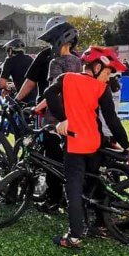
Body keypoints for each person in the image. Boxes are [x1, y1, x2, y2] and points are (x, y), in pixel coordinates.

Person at [45, 46, 129, 248]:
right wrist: (126, 145)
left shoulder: (67, 78)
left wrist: (62, 119)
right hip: (95, 144)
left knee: (74, 190)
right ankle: (101, 222)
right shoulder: (101, 89)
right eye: (108, 72)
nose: (109, 77)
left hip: (75, 145)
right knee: (95, 183)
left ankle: (74, 236)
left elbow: (49, 94)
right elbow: (112, 120)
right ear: (96, 67)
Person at [32, 18, 83, 210]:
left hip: (55, 119)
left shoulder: (55, 63)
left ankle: (53, 198)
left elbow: (54, 91)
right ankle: (68, 197)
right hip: (74, 118)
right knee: (67, 161)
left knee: (51, 161)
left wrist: (36, 108)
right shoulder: (78, 61)